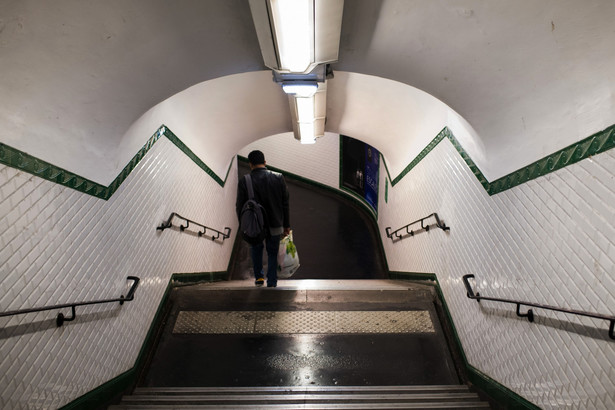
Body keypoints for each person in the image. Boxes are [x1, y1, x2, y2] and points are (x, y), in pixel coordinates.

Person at [236, 150, 290, 287]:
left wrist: (243, 226)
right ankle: (272, 281)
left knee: (256, 248)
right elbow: (285, 203)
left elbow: (239, 206)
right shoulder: (278, 177)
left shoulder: (245, 181)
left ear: (250, 164)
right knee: (272, 252)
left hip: (255, 224)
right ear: (265, 162)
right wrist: (286, 225)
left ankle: (259, 277)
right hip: (275, 223)